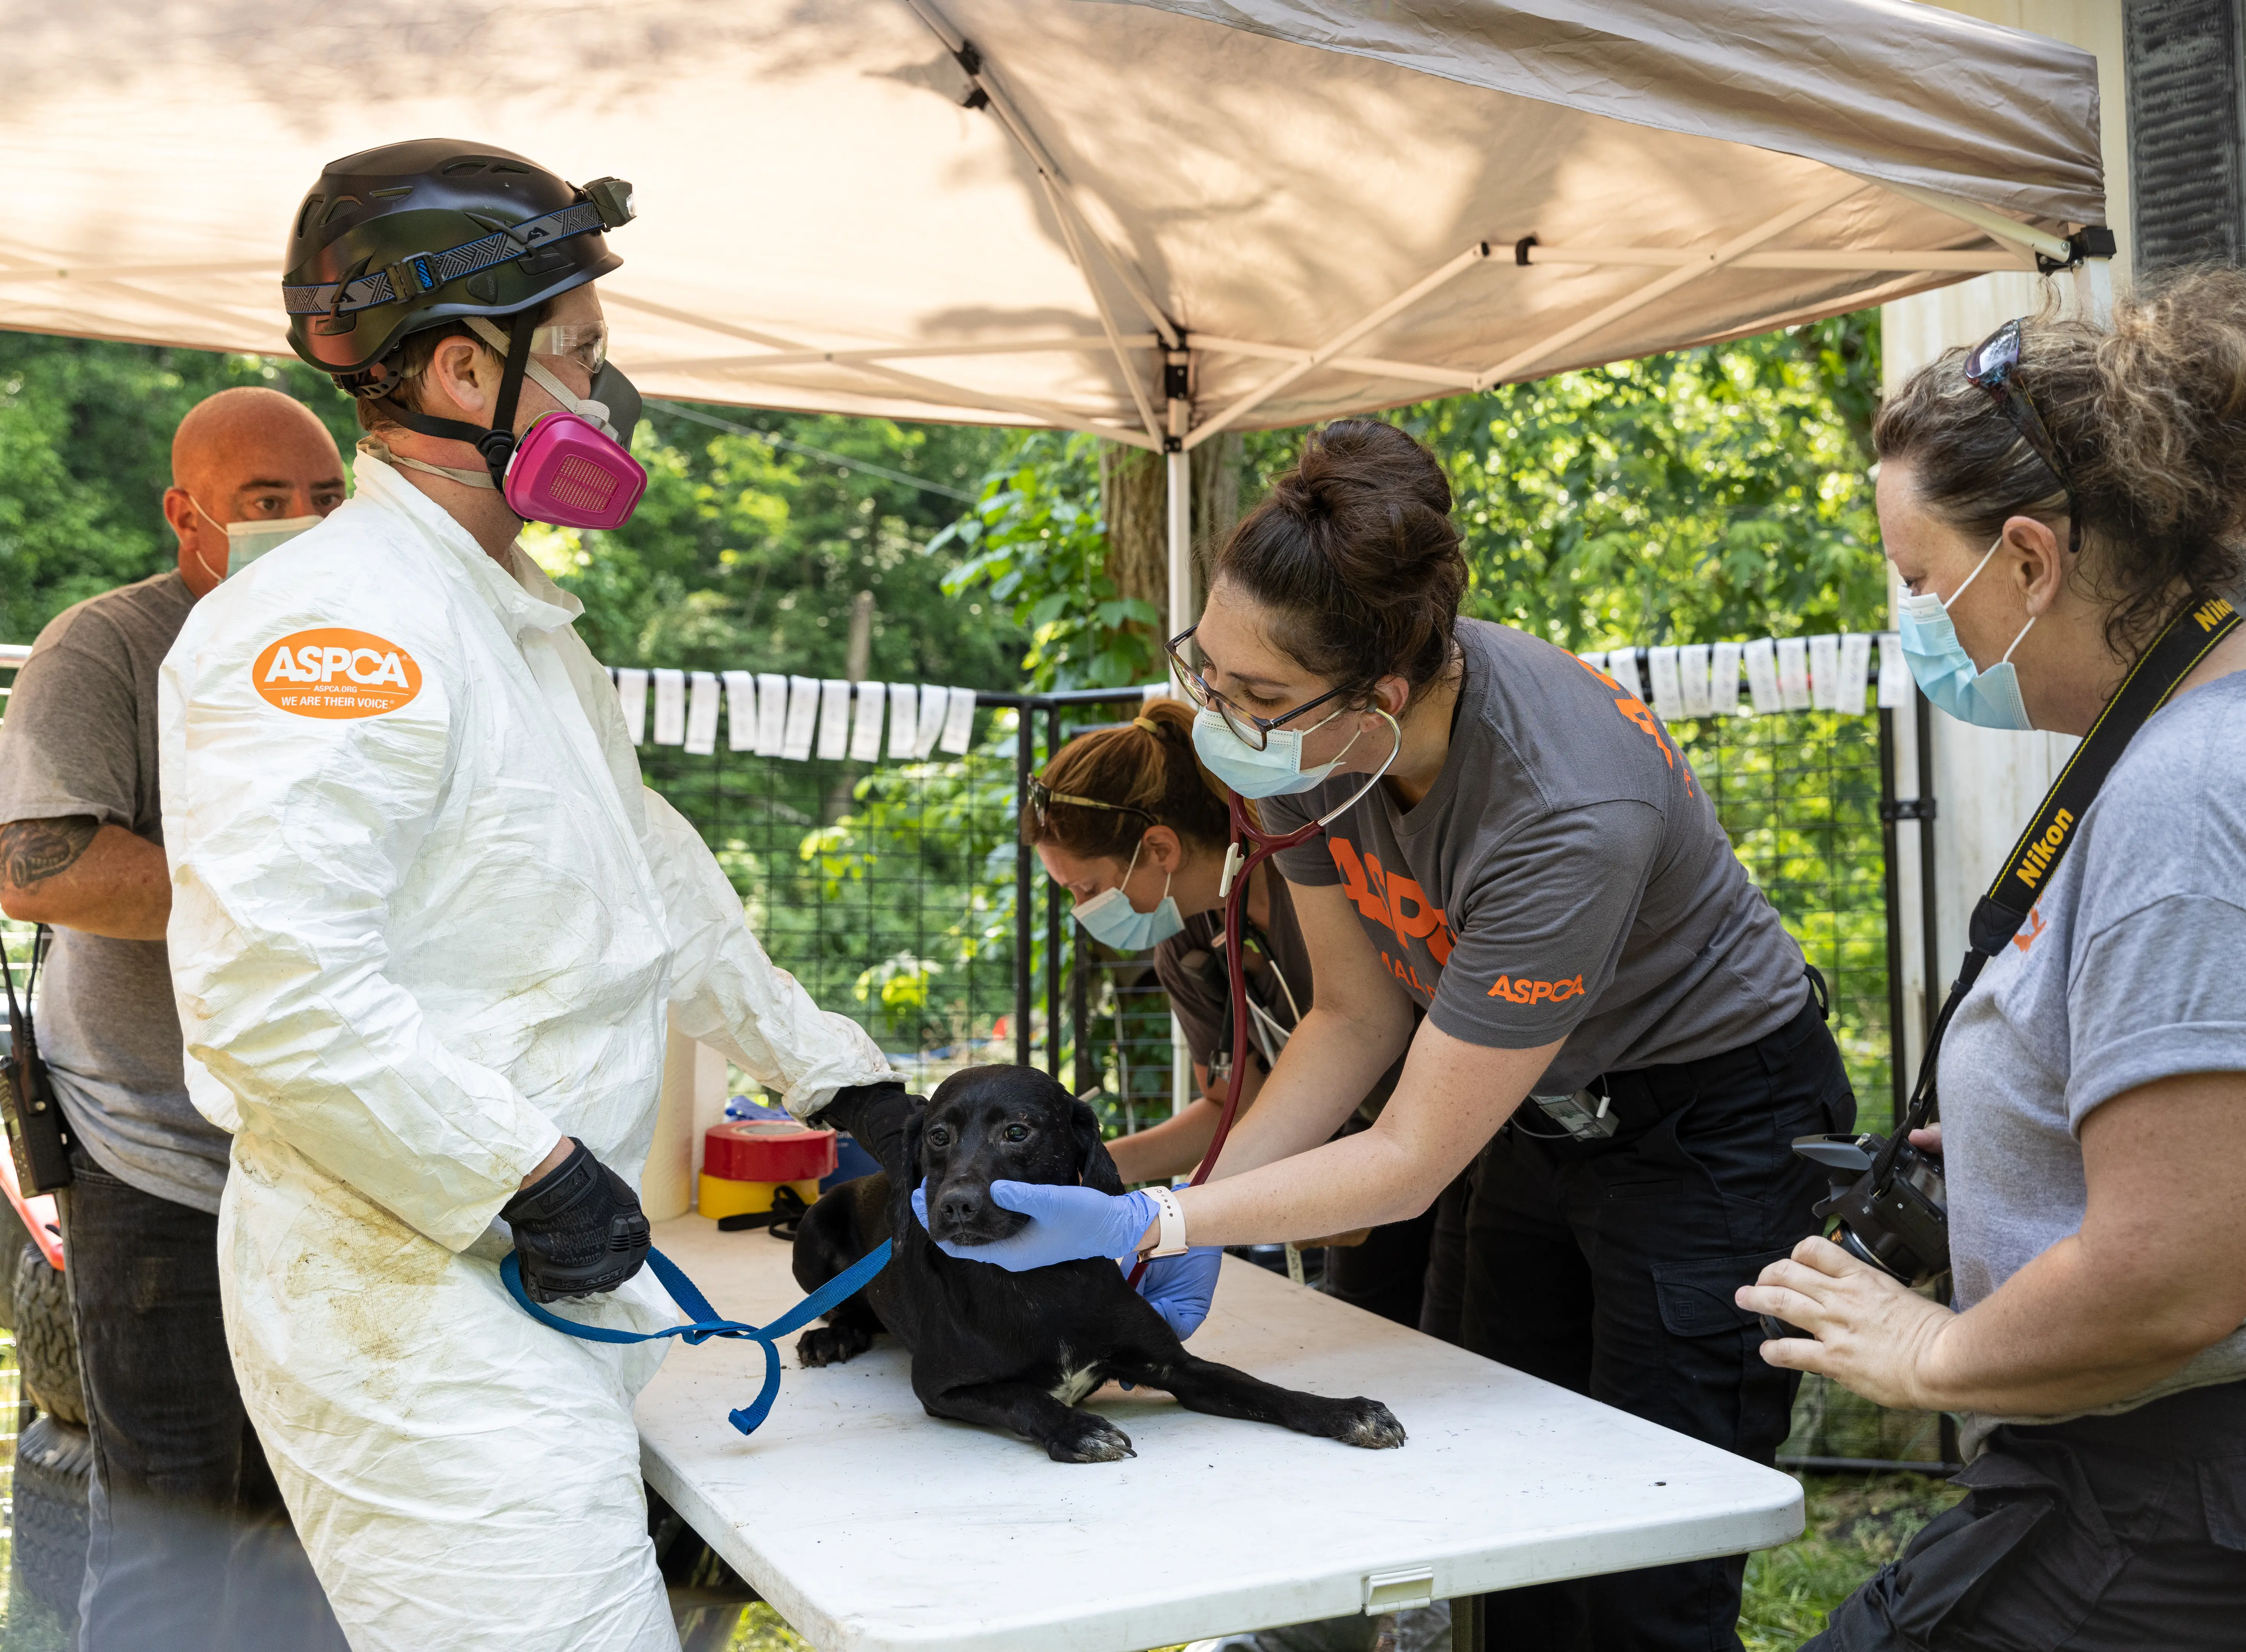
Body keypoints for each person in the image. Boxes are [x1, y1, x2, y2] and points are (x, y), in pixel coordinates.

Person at [934, 419, 1856, 1651]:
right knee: (1502, 1501)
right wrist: (1221, 1192)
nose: (1217, 715)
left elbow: (1415, 1153)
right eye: (1205, 668)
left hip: (1711, 1123)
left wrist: (1166, 1217)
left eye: (1252, 694)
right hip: (1547, 1118)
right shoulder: (1310, 748)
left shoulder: (1564, 809)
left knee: (1646, 1556)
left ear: (1385, 694)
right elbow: (1354, 1017)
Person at [156, 138, 898, 1652]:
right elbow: (269, 989)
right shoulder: (331, 627)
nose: (605, 401)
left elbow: (650, 879)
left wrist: (841, 1076)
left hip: (525, 1286)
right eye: (576, 358)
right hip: (413, 1308)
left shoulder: (511, 627)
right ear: (451, 375)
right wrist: (522, 1168)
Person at [1737, 269, 2246, 1649]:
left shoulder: (2191, 796)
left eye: (1918, 581)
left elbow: (2180, 1268)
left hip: (2212, 1499)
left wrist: (1929, 1350)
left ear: (2030, 558)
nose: (1919, 625)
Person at [0, 386, 349, 1651]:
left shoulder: (374, 655)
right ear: (185, 515)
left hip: (343, 1169)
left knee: (324, 1531)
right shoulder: (106, 647)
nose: (305, 527)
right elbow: (40, 867)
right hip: (157, 1158)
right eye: (267, 505)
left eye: (327, 501)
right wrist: (291, 905)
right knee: (175, 1534)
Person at [1025, 698, 1431, 1328]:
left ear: (1159, 849)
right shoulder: (1188, 944)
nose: (1083, 909)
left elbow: (1374, 1027)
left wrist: (1207, 1205)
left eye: (1085, 888)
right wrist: (1093, 1171)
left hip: (1447, 1145)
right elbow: (1231, 1101)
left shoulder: (1318, 882)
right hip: (1349, 1174)